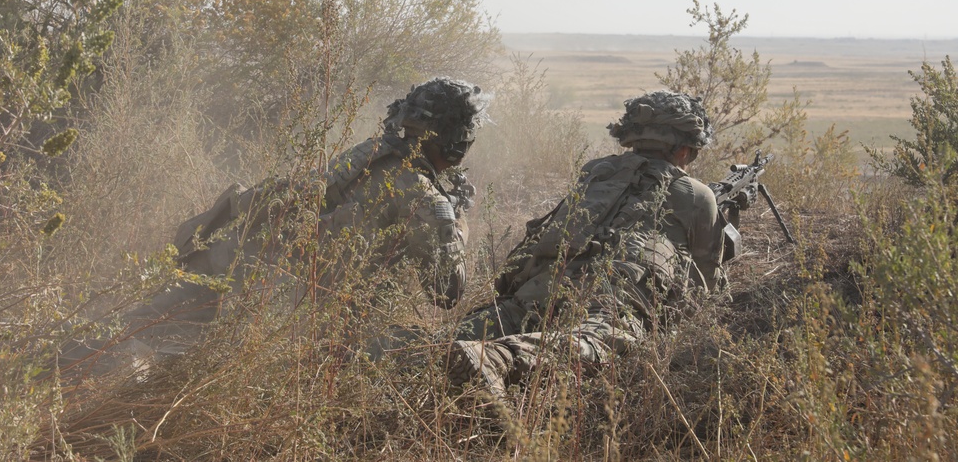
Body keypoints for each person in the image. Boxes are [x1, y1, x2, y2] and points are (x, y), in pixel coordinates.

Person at [61, 77, 490, 374]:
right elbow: (446, 292)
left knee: (126, 327)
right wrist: (456, 220)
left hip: (231, 262)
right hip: (277, 308)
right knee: (160, 363)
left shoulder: (367, 151)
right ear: (454, 138)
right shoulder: (422, 195)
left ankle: (45, 357)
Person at [447, 90, 739, 394]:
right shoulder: (697, 194)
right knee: (598, 341)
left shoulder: (597, 171)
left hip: (543, 284)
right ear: (683, 150)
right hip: (610, 301)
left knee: (498, 320)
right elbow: (704, 290)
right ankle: (500, 356)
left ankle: (420, 348)